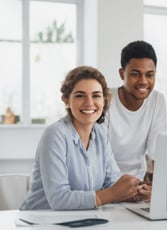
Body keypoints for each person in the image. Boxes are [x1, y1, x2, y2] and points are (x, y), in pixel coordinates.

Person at [20, 66, 151, 210]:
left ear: (104, 100)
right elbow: (59, 199)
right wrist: (112, 194)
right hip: (39, 221)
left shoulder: (100, 134)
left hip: (81, 220)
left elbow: (112, 184)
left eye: (96, 95)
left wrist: (134, 194)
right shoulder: (55, 135)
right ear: (66, 100)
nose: (89, 102)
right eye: (80, 95)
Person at [104, 41, 166, 182]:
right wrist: (121, 188)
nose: (143, 81)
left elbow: (156, 152)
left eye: (149, 75)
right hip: (105, 182)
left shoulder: (157, 100)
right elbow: (100, 155)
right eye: (135, 74)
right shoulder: (104, 99)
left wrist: (157, 186)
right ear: (122, 74)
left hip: (137, 182)